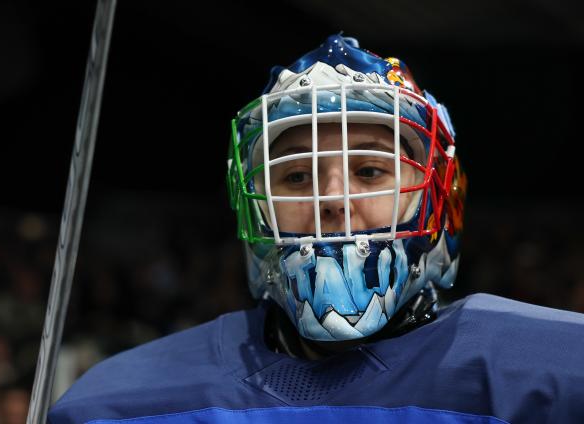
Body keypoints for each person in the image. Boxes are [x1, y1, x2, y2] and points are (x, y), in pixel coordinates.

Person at [48, 34, 584, 424]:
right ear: (255, 203)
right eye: (297, 176)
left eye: (369, 171)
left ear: (436, 195)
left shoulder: (555, 371)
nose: (332, 198)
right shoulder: (117, 405)